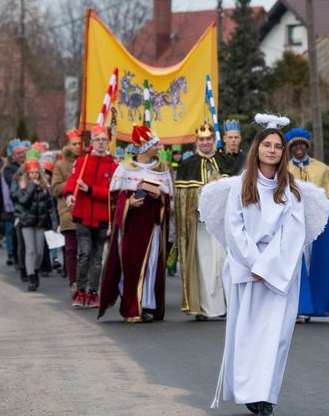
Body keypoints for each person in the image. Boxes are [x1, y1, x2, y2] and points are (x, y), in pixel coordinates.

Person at [200, 114, 329, 416]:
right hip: (247, 271)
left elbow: (293, 233)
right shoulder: (239, 187)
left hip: (280, 272)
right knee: (247, 334)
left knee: (276, 336)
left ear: (283, 152)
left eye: (278, 146)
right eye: (267, 145)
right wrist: (253, 263)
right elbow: (234, 228)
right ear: (257, 148)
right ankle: (248, 392)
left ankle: (265, 397)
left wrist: (268, 266)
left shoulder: (292, 191)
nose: (272, 150)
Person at [98, 125, 174, 323]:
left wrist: (160, 197)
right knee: (130, 265)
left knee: (151, 265)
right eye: (155, 144)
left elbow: (169, 200)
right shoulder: (124, 169)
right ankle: (131, 304)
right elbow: (114, 200)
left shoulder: (162, 169)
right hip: (131, 227)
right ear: (145, 147)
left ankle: (146, 305)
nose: (159, 146)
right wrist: (129, 203)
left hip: (152, 228)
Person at [285, 127, 329, 319]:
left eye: (301, 145)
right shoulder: (285, 169)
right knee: (295, 266)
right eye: (295, 146)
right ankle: (298, 307)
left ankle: (314, 305)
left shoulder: (321, 169)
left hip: (314, 229)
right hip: (293, 226)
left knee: (315, 264)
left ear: (307, 146)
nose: (298, 149)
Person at [175, 121, 236, 320]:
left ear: (214, 140)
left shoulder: (225, 161)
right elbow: (183, 199)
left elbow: (236, 192)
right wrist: (201, 193)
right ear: (196, 141)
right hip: (200, 225)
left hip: (222, 224)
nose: (205, 143)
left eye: (208, 139)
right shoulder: (188, 165)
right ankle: (202, 307)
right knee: (204, 264)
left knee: (223, 263)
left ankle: (227, 305)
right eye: (201, 140)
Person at [63, 126, 116, 309]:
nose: (100, 143)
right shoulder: (82, 161)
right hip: (83, 215)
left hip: (102, 217)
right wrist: (70, 194)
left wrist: (90, 190)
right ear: (92, 142)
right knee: (84, 254)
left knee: (97, 257)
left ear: (108, 142)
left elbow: (112, 193)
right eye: (97, 140)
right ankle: (80, 290)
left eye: (104, 139)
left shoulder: (113, 165)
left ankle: (93, 292)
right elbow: (72, 180)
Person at [12, 159, 57, 291]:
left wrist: (54, 223)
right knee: (30, 250)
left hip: (40, 223)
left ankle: (35, 270)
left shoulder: (45, 188)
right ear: (27, 174)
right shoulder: (23, 186)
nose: (33, 176)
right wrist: (31, 186)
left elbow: (51, 207)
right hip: (26, 222)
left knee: (39, 253)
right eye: (31, 173)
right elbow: (24, 201)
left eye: (36, 173)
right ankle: (31, 277)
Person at [51, 129, 82, 288]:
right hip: (67, 212)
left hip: (85, 212)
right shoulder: (61, 165)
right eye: (74, 144)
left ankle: (85, 282)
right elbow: (55, 189)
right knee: (71, 250)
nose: (77, 146)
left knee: (85, 251)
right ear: (68, 146)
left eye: (79, 143)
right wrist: (72, 181)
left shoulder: (86, 161)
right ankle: (73, 282)